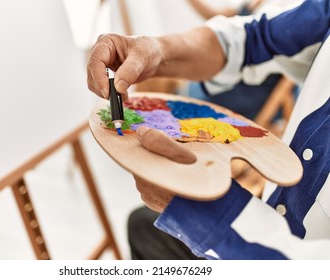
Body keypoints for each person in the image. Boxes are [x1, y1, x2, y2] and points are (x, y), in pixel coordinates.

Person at [87, 0, 330, 259]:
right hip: (266, 213)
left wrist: (207, 218)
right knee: (142, 225)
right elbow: (256, 38)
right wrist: (156, 50)